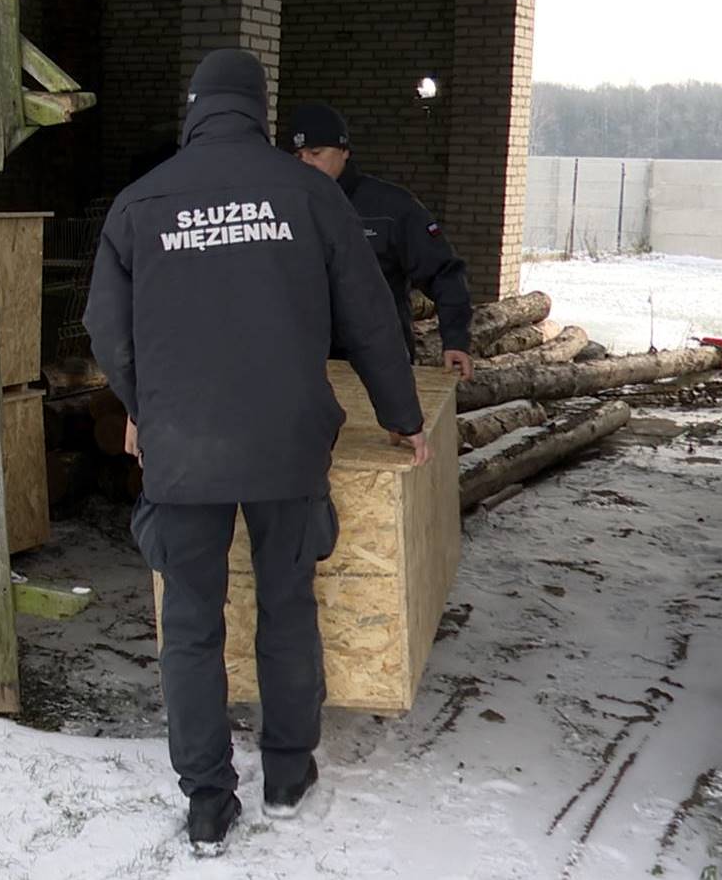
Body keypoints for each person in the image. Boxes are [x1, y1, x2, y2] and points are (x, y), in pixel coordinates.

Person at [83, 49, 430, 856]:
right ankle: (284, 773)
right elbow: (369, 314)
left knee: (194, 626)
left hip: (186, 449)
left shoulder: (141, 203)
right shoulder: (308, 192)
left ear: (195, 109)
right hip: (286, 442)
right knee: (286, 604)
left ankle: (207, 800)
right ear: (260, 112)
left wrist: (145, 407)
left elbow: (106, 327)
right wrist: (402, 415)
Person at [286, 103, 475, 380]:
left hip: (378, 367)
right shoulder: (283, 209)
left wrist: (456, 339)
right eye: (298, 155)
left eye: (316, 153)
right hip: (305, 368)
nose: (306, 163)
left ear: (344, 151)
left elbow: (444, 273)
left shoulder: (391, 209)